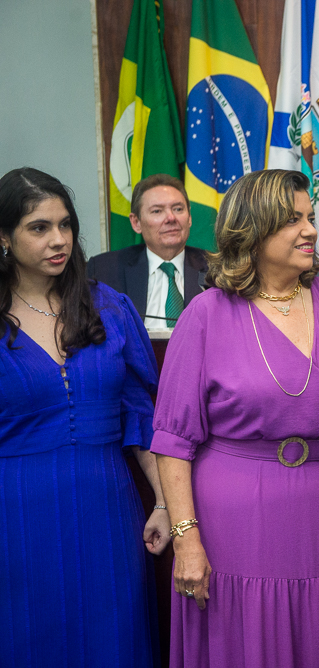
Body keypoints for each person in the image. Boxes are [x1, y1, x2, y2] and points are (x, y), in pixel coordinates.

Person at [151, 169, 319, 667]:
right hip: (237, 523)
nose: (311, 230)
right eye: (292, 221)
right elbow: (173, 441)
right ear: (253, 231)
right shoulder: (206, 315)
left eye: (310, 217)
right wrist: (186, 537)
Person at [0, 167, 167, 666]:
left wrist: (164, 501)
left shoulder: (109, 308)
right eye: (39, 227)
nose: (59, 240)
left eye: (65, 225)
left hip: (108, 509)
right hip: (17, 516)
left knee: (114, 638)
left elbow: (142, 415)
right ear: (4, 237)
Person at [88, 174, 207, 328]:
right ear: (136, 222)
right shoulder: (104, 270)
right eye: (157, 211)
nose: (171, 218)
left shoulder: (216, 268)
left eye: (178, 209)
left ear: (189, 217)